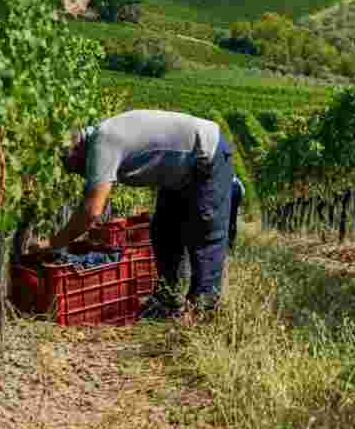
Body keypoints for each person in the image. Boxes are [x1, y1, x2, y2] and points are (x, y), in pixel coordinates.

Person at [39, 109, 235, 316]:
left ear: (73, 150)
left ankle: (202, 312)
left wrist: (53, 243)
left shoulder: (102, 142)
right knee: (164, 231)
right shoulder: (99, 138)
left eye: (70, 166)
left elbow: (92, 211)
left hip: (207, 157)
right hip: (179, 172)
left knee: (204, 236)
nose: (76, 173)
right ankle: (168, 301)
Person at [228, 174, 245, 253]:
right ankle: (231, 244)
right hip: (235, 200)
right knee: (233, 222)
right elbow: (243, 192)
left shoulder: (221, 177)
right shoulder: (237, 181)